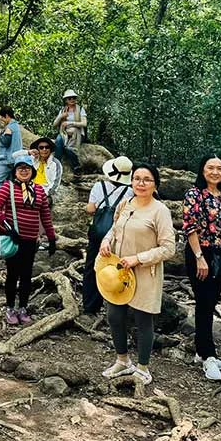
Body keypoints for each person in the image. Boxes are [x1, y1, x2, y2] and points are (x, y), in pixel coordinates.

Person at [98, 164, 175, 386]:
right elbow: (114, 229)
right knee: (114, 316)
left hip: (144, 270)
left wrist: (138, 258)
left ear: (155, 184)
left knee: (143, 319)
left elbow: (169, 248)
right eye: (137, 178)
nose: (141, 183)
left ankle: (143, 368)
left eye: (147, 179)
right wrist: (106, 241)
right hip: (119, 271)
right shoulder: (125, 203)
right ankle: (122, 360)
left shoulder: (160, 210)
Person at [183, 154, 221, 381]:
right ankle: (208, 355)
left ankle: (200, 350)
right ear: (202, 170)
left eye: (219, 168)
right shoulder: (195, 194)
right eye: (210, 168)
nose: (215, 172)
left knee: (211, 302)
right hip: (200, 252)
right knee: (203, 302)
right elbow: (190, 227)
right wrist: (199, 257)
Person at [0, 153, 56, 325]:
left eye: (27, 168)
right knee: (12, 274)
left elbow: (45, 216)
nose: (24, 171)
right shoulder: (7, 187)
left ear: (32, 171)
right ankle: (10, 308)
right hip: (14, 239)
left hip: (30, 240)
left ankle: (23, 308)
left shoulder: (39, 190)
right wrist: (9, 228)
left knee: (26, 275)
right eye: (20, 168)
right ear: (15, 171)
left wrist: (51, 238)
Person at [83, 156, 133, 314]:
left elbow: (90, 209)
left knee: (92, 266)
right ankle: (116, 301)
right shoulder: (130, 191)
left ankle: (90, 305)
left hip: (97, 233)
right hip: (118, 234)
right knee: (117, 267)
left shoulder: (99, 186)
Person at [52, 89, 87, 170]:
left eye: (73, 98)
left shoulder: (80, 109)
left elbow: (84, 123)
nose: (72, 100)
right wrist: (61, 116)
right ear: (66, 100)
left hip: (77, 133)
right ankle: (57, 166)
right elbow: (54, 124)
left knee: (69, 148)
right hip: (64, 132)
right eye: (69, 98)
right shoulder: (63, 110)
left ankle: (76, 166)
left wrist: (70, 123)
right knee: (58, 141)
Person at [0, 107, 22, 191]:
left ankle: (2, 200)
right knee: (10, 184)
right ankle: (10, 201)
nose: (1, 119)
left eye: (2, 117)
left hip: (6, 159)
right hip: (14, 159)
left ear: (6, 115)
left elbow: (6, 142)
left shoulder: (9, 127)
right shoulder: (16, 126)